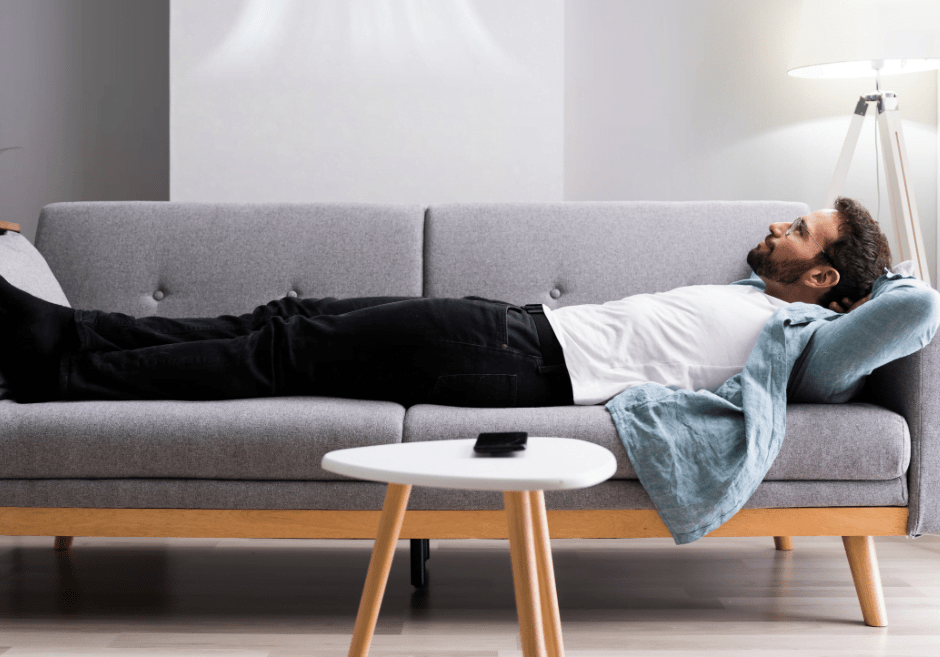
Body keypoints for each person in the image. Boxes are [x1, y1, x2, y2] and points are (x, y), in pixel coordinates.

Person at [0, 197, 928, 406]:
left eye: (800, 230)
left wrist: (894, 281)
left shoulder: (804, 334)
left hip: (521, 359)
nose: (777, 224)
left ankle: (60, 375)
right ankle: (65, 333)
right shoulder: (756, 295)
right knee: (281, 321)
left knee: (276, 355)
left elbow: (902, 314)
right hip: (515, 332)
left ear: (823, 280)